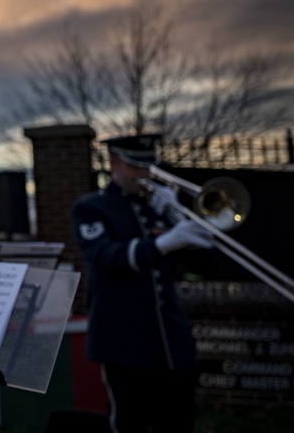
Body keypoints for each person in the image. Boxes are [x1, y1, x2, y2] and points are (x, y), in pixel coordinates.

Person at [72, 134, 216, 433]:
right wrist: (164, 242)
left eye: (149, 166)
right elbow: (104, 256)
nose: (144, 174)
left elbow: (202, 265)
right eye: (135, 166)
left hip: (170, 339)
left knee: (178, 420)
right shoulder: (92, 207)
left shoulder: (157, 208)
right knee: (130, 422)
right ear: (114, 164)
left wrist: (179, 218)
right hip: (122, 342)